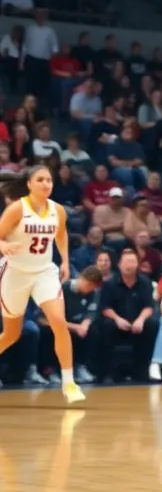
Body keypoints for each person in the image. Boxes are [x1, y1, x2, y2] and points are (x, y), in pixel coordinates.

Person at [0, 168, 86, 403]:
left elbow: (61, 235)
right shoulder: (18, 208)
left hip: (44, 272)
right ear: (29, 184)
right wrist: (3, 246)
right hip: (15, 274)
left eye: (49, 179)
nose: (46, 183)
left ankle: (69, 383)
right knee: (10, 334)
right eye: (41, 180)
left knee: (59, 321)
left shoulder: (57, 210)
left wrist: (66, 261)